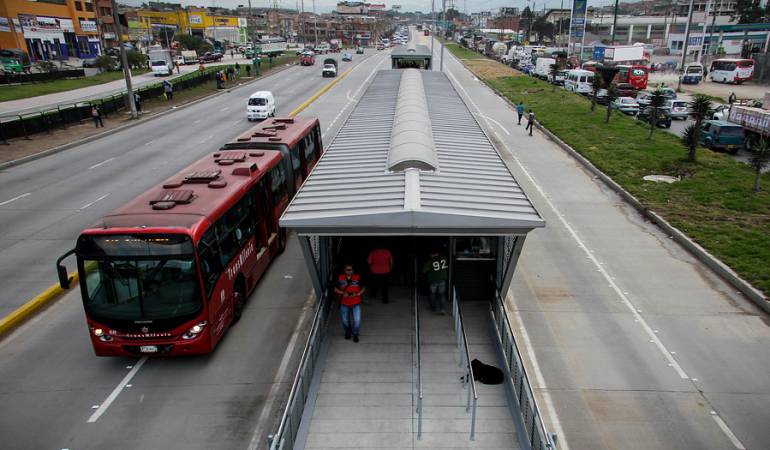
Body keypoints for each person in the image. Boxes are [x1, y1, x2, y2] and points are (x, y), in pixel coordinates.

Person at [335, 264, 365, 342]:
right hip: (344, 303)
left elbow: (364, 287)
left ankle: (355, 333)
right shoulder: (340, 277)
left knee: (357, 320)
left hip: (356, 303)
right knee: (345, 320)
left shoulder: (358, 277)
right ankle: (348, 332)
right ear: (344, 271)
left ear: (353, 270)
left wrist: (358, 293)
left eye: (350, 269)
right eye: (347, 270)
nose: (349, 271)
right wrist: (342, 293)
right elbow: (334, 288)